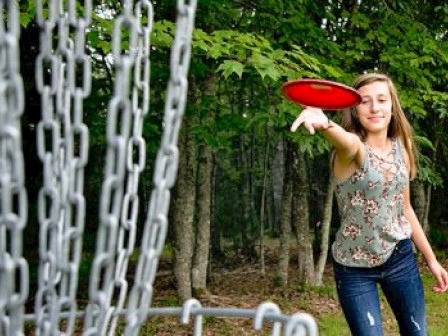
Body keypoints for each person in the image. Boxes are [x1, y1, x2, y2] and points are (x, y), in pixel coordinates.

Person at [290, 73, 448, 336]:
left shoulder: (403, 146)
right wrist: (326, 124)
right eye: (365, 101)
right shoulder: (350, 151)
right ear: (354, 108)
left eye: (382, 100)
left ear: (392, 106)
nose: (375, 108)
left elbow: (405, 209)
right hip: (354, 268)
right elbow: (347, 141)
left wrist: (432, 260)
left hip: (400, 258)